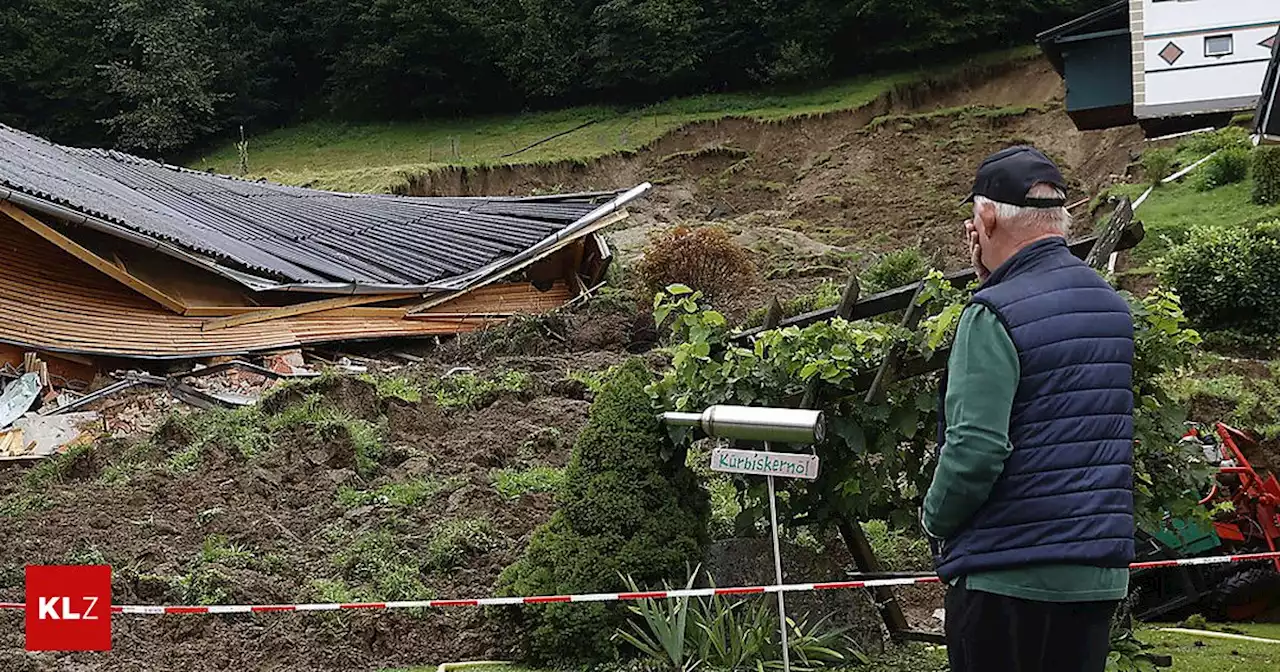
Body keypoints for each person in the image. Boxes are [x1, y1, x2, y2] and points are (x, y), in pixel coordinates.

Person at [920, 145, 1135, 672]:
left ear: (987, 216)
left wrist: (934, 520)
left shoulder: (992, 312)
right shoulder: (1109, 304)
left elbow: (975, 450)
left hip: (1008, 575)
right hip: (1095, 577)